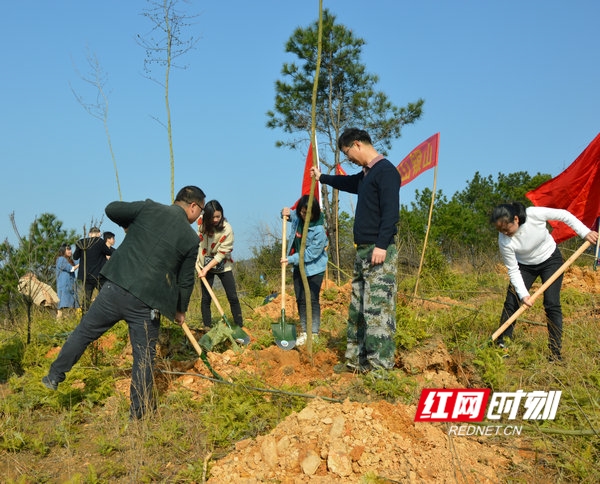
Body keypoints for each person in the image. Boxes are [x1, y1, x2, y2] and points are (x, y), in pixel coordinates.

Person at [42, 186, 206, 420]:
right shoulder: (191, 239)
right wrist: (181, 310)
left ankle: (54, 376)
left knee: (84, 332)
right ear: (193, 206)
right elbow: (186, 280)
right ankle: (138, 415)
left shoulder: (149, 208)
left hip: (114, 288)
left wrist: (128, 225)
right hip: (147, 303)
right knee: (144, 357)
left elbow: (112, 209)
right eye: (200, 210)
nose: (199, 216)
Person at [310, 128, 400, 373]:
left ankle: (380, 369)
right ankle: (357, 362)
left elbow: (391, 213)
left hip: (379, 251)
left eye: (347, 153)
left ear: (357, 145)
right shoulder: (366, 174)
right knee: (359, 308)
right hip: (363, 252)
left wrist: (382, 245)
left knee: (377, 310)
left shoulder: (386, 172)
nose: (348, 158)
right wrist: (322, 178)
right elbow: (349, 182)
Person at [490, 202, 598, 361]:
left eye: (506, 228)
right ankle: (502, 345)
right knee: (512, 301)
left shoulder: (534, 214)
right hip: (524, 267)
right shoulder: (504, 241)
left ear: (516, 219)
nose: (504, 233)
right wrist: (524, 295)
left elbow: (564, 215)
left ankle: (555, 352)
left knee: (551, 303)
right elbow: (513, 269)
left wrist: (585, 232)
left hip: (550, 260)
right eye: (500, 230)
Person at [281, 195, 328, 346]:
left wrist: (291, 259)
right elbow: (287, 215)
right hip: (297, 267)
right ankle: (304, 331)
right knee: (300, 299)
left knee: (312, 300)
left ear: (314, 212)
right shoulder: (298, 217)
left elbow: (311, 254)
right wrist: (284, 212)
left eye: (307, 213)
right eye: (301, 212)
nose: (303, 215)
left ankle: (313, 333)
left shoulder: (319, 230)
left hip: (314, 268)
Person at [196, 200, 244, 329]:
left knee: (232, 296)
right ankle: (207, 326)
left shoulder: (227, 229)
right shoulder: (201, 222)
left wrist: (206, 269)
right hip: (203, 262)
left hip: (223, 264)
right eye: (212, 217)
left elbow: (220, 255)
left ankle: (239, 325)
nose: (216, 219)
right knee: (206, 298)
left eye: (218, 216)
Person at [73, 227, 113, 312]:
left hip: (86, 275)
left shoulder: (81, 242)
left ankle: (84, 316)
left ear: (89, 234)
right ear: (99, 234)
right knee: (106, 295)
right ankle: (106, 313)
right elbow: (109, 252)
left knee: (86, 298)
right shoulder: (100, 242)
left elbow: (75, 257)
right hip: (98, 275)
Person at [55, 244, 80, 318]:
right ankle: (59, 326)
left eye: (70, 249)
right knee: (63, 308)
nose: (70, 251)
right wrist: (79, 264)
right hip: (64, 288)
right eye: (68, 249)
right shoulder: (61, 259)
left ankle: (65, 324)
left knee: (71, 308)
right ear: (63, 250)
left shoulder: (70, 260)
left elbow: (79, 261)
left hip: (71, 287)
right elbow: (71, 269)